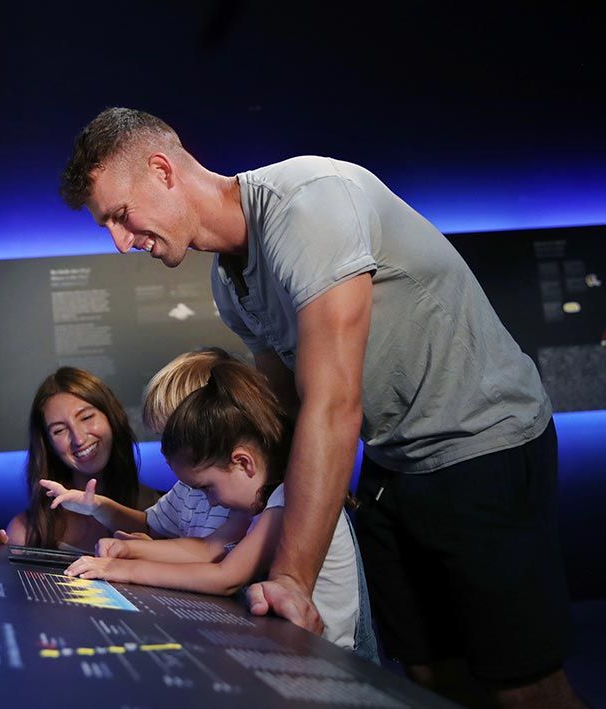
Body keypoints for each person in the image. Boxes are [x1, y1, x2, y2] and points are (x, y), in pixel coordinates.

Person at [59, 107, 580, 706]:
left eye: (122, 217)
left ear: (162, 171)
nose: (123, 242)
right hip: (395, 465)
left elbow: (332, 405)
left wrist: (290, 580)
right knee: (429, 679)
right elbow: (278, 419)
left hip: (484, 445)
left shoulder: (309, 203)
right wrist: (203, 543)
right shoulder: (230, 287)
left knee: (526, 693)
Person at [63, 360, 376, 659]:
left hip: (331, 656)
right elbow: (207, 549)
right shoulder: (260, 504)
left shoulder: (287, 500)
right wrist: (130, 552)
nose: (210, 500)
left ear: (242, 462)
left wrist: (121, 571)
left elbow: (226, 576)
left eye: (208, 488)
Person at [42, 347, 250, 542]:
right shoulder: (185, 490)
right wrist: (96, 506)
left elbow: (210, 555)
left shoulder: (240, 495)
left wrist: (139, 558)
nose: (165, 451)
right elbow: (150, 526)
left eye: (174, 438)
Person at [0, 366, 159, 550]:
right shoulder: (27, 532)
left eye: (86, 417)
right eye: (59, 430)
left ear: (112, 418)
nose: (78, 438)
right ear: (48, 445)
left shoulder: (168, 512)